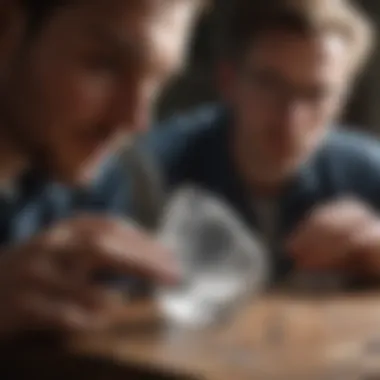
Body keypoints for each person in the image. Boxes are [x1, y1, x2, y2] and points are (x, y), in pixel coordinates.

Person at [0, 0, 204, 337]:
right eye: (105, 66)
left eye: (159, 80)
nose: (136, 120)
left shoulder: (114, 183)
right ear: (4, 27)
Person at [144, 0, 380, 283]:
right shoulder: (151, 168)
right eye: (270, 85)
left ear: (342, 102)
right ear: (228, 81)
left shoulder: (367, 171)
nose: (291, 117)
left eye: (316, 94)